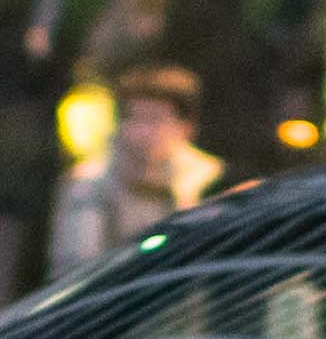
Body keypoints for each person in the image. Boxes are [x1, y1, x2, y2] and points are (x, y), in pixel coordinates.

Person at [46, 64, 223, 276]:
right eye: (133, 118)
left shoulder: (210, 178)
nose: (142, 132)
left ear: (185, 128)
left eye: (155, 119)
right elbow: (76, 268)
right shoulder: (89, 183)